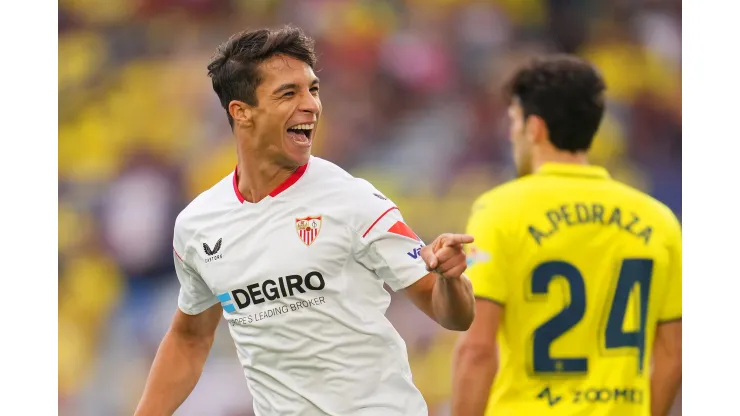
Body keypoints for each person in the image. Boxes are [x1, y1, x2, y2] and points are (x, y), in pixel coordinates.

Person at [134, 26, 476, 416]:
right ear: (241, 112)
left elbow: (455, 316)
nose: (311, 105)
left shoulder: (352, 198)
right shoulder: (199, 225)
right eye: (288, 93)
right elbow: (190, 338)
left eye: (312, 89)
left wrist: (451, 280)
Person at [451, 55, 682, 416]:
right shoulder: (658, 220)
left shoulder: (499, 211)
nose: (511, 135)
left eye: (513, 121)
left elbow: (477, 349)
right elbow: (673, 353)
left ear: (535, 128)